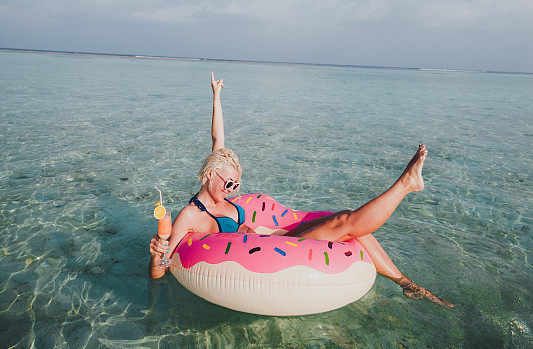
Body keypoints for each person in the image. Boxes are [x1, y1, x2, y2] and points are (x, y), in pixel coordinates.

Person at [149, 74, 455, 308]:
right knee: (345, 222)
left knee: (346, 223)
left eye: (237, 185)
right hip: (270, 255)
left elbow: (217, 137)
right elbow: (161, 269)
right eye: (229, 184)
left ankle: (406, 283)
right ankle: (405, 184)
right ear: (211, 176)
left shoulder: (219, 179)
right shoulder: (191, 214)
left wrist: (215, 96)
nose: (232, 190)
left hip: (275, 240)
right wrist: (157, 254)